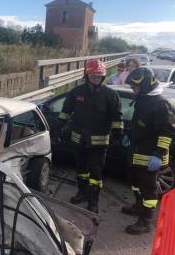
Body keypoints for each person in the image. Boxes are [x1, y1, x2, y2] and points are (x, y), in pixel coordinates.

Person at [59, 59, 123, 213]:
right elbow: (65, 111)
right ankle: (82, 193)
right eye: (93, 75)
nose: (96, 78)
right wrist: (60, 127)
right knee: (81, 169)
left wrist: (117, 135)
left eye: (99, 76)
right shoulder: (77, 92)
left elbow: (117, 118)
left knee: (96, 173)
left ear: (103, 76)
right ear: (87, 75)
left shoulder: (110, 94)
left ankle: (93, 201)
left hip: (99, 144)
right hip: (79, 140)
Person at [121, 67, 173, 234]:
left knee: (149, 189)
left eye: (134, 87)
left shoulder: (159, 104)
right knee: (136, 184)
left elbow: (167, 131)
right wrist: (129, 134)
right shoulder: (143, 99)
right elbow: (139, 123)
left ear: (144, 86)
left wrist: (158, 154)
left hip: (150, 155)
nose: (132, 90)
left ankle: (146, 221)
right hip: (137, 151)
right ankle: (138, 206)